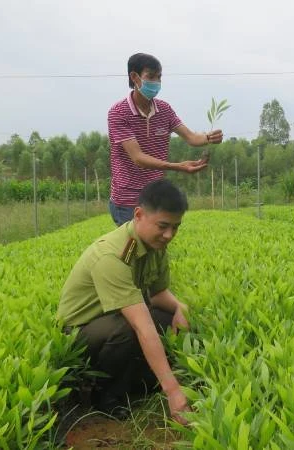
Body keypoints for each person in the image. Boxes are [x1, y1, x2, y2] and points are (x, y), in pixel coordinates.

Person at [58, 179, 192, 422]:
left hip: (112, 319)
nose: (169, 234)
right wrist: (172, 390)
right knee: (133, 326)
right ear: (138, 215)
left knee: (163, 317)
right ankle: (104, 396)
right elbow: (141, 324)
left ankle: (136, 380)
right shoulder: (111, 255)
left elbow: (158, 294)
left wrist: (180, 308)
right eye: (163, 225)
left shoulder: (154, 245)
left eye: (176, 227)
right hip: (79, 332)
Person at [108, 52, 223, 226]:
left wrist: (209, 137)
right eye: (151, 77)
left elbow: (191, 137)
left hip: (155, 196)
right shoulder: (119, 113)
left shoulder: (164, 110)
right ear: (134, 77)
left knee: (157, 247)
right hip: (128, 200)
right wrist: (177, 167)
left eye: (159, 77)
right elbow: (138, 158)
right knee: (134, 249)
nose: (156, 82)